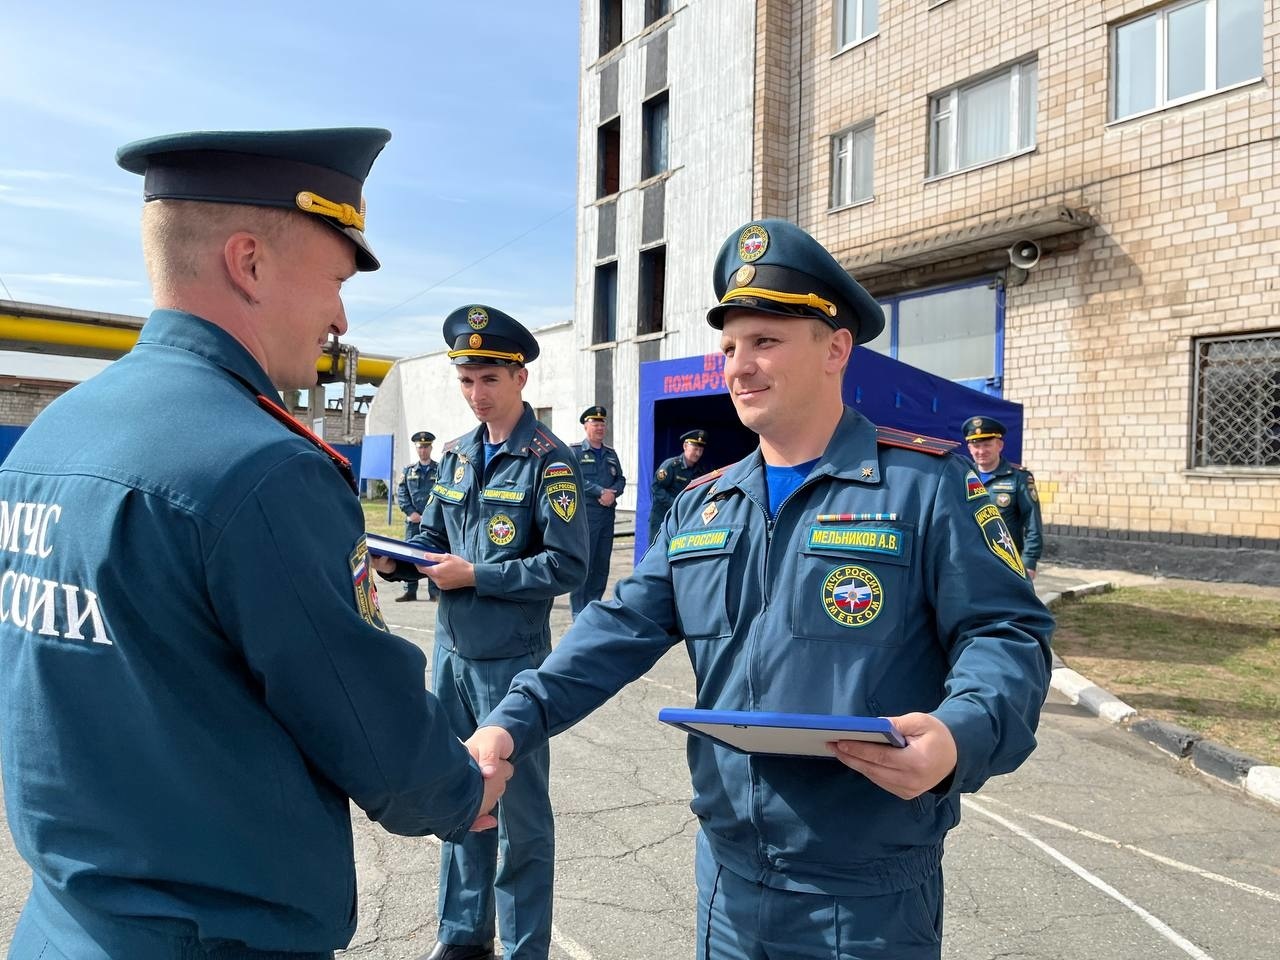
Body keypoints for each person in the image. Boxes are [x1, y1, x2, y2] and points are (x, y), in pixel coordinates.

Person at [467, 219, 1055, 959]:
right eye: (729, 348)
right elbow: (614, 630)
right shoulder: (706, 503)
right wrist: (509, 723)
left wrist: (959, 736)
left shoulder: (925, 485)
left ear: (836, 348)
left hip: (866, 891)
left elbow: (1007, 635)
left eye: (765, 341)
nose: (738, 367)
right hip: (728, 877)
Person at [0, 129, 512, 960]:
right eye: (337, 281)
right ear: (249, 262)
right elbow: (361, 712)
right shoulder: (261, 465)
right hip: (211, 935)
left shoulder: (53, 437)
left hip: (64, 924)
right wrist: (461, 791)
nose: (342, 318)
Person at [373, 305, 589, 960]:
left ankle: (524, 948)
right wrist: (396, 559)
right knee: (460, 799)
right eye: (467, 380)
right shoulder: (457, 457)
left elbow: (567, 564)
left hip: (512, 663)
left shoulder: (549, 462)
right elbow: (430, 539)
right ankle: (463, 937)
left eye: (489, 379)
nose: (477, 393)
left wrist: (480, 575)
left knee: (520, 819)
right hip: (452, 655)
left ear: (519, 377)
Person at [963, 416, 1044, 579]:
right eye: (976, 445)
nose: (981, 451)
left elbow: (1033, 522)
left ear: (1000, 445)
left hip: (1006, 562)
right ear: (969, 448)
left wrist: (1029, 561)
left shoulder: (1019, 477)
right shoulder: (962, 475)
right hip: (968, 560)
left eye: (987, 445)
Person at [569, 405, 626, 617]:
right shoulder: (574, 451)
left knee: (602, 564)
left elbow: (620, 479)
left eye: (602, 423)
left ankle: (593, 607)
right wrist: (599, 491)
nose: (600, 427)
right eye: (595, 423)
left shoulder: (611, 454)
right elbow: (572, 478)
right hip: (586, 517)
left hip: (607, 516)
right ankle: (578, 611)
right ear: (586, 426)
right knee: (585, 562)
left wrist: (614, 492)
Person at [396, 429, 440, 601]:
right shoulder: (408, 471)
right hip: (413, 521)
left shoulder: (439, 470)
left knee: (432, 553)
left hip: (432, 521)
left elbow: (441, 493)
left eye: (426, 447)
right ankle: (410, 591)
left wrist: (431, 515)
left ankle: (435, 592)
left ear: (431, 448)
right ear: (416, 449)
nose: (423, 450)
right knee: (410, 554)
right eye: (420, 447)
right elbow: (402, 493)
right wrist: (410, 512)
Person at [647, 427, 708, 546]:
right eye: (695, 449)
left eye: (701, 450)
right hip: (663, 518)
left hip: (683, 520)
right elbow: (656, 488)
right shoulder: (671, 466)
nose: (698, 453)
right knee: (657, 552)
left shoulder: (700, 471)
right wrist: (675, 504)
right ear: (685, 446)